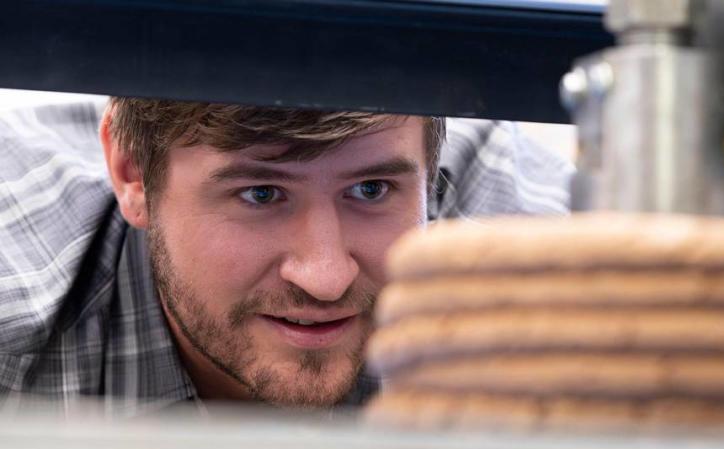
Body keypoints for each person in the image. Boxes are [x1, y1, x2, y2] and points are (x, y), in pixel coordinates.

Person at [0, 97, 573, 416]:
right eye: (261, 194)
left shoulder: (541, 275)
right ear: (133, 175)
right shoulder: (17, 310)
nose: (325, 278)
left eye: (371, 189)